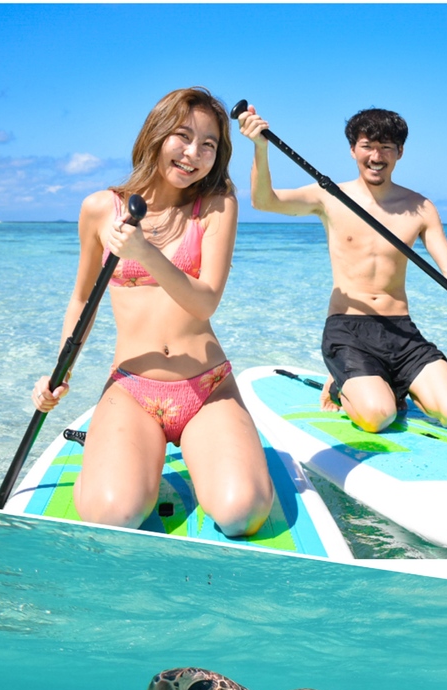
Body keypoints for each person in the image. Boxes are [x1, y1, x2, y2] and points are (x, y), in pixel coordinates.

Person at [33, 88, 273, 535]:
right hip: (132, 389)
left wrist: (144, 251)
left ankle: (198, 455)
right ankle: (114, 457)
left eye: (209, 144)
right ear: (156, 134)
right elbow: (83, 299)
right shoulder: (100, 209)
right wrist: (61, 371)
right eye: (183, 136)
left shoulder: (217, 205)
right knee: (113, 515)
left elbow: (205, 300)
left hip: (207, 388)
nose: (193, 153)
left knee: (243, 513)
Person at [238, 104, 447, 433]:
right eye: (367, 146)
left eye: (386, 146)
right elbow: (264, 201)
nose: (376, 156)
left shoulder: (419, 207)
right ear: (352, 150)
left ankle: (391, 384)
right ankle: (342, 384)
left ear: (400, 152)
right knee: (378, 417)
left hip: (401, 331)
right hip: (348, 329)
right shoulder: (329, 196)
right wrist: (260, 148)